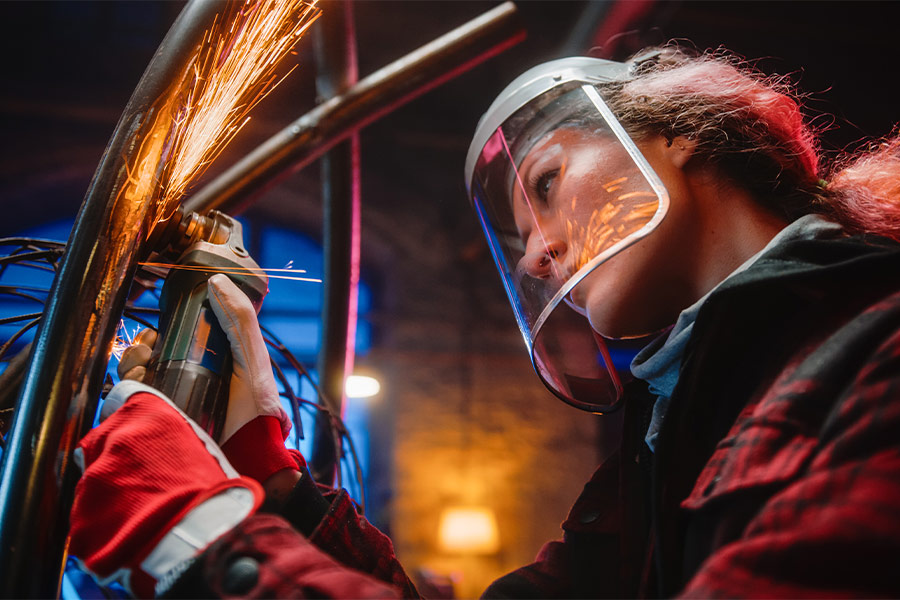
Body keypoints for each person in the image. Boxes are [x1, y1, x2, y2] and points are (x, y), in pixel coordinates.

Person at [69, 45, 900, 598]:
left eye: (543, 184)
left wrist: (198, 535)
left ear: (681, 135)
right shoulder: (672, 428)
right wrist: (275, 483)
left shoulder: (878, 355)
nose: (537, 257)